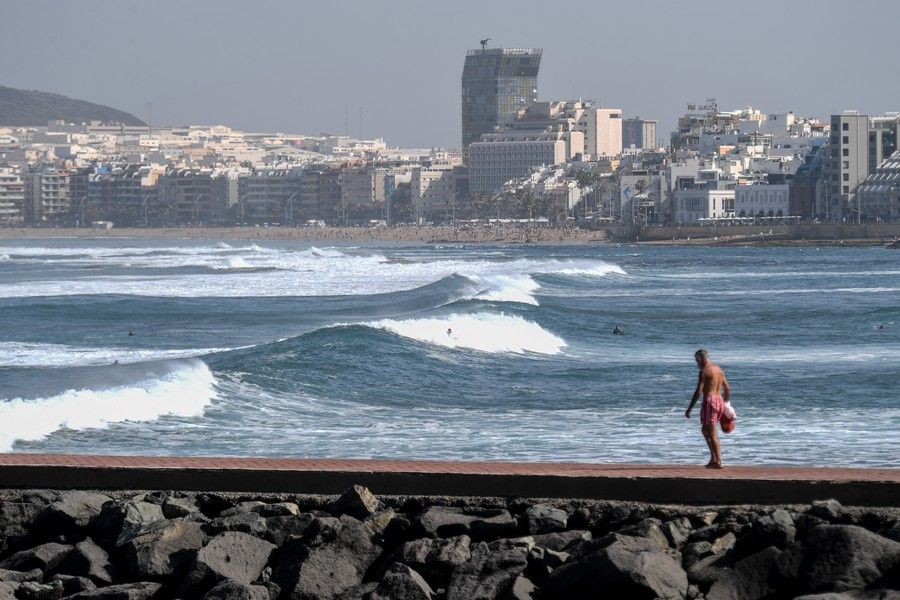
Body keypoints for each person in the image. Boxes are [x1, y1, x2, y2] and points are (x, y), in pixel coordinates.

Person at [684, 349, 731, 469]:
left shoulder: (704, 371)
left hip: (710, 402)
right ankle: (713, 458)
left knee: (712, 432)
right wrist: (726, 402)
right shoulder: (719, 369)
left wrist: (690, 408)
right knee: (705, 430)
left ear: (701, 358)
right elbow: (727, 388)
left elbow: (699, 391)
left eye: (697, 360)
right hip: (719, 400)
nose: (697, 363)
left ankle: (719, 461)